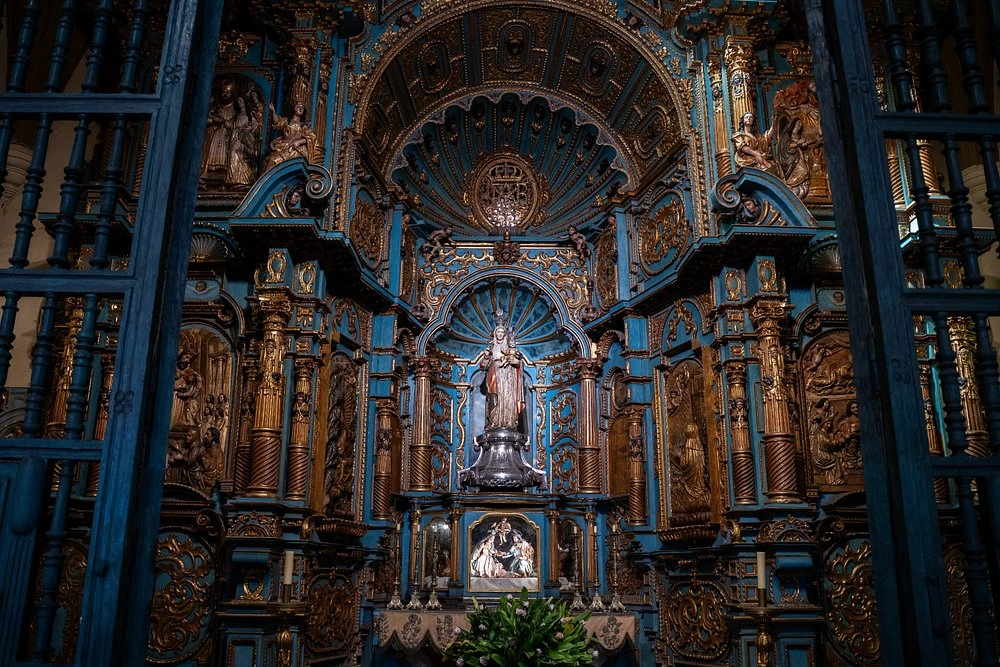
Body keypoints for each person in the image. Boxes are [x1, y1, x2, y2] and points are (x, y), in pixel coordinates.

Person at [479, 312, 524, 430]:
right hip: (494, 375)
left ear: (505, 334)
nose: (500, 334)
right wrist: (486, 356)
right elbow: (482, 366)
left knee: (508, 398)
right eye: (498, 332)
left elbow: (518, 363)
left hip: (508, 377)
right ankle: (494, 422)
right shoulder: (491, 348)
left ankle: (508, 422)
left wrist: (512, 361)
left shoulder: (510, 348)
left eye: (502, 332)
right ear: (495, 334)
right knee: (495, 399)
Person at [263, 101, 318, 171]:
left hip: (295, 149)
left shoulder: (304, 126)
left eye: (302, 108)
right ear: (293, 109)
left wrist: (299, 142)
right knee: (272, 160)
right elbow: (277, 122)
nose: (300, 109)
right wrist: (273, 111)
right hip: (284, 146)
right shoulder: (287, 121)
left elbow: (312, 137)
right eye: (298, 107)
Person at [171, 348, 203, 428]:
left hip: (180, 398)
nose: (187, 360)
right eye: (186, 357)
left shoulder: (190, 371)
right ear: (182, 355)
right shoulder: (171, 366)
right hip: (170, 394)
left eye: (189, 359)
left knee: (176, 417)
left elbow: (197, 382)